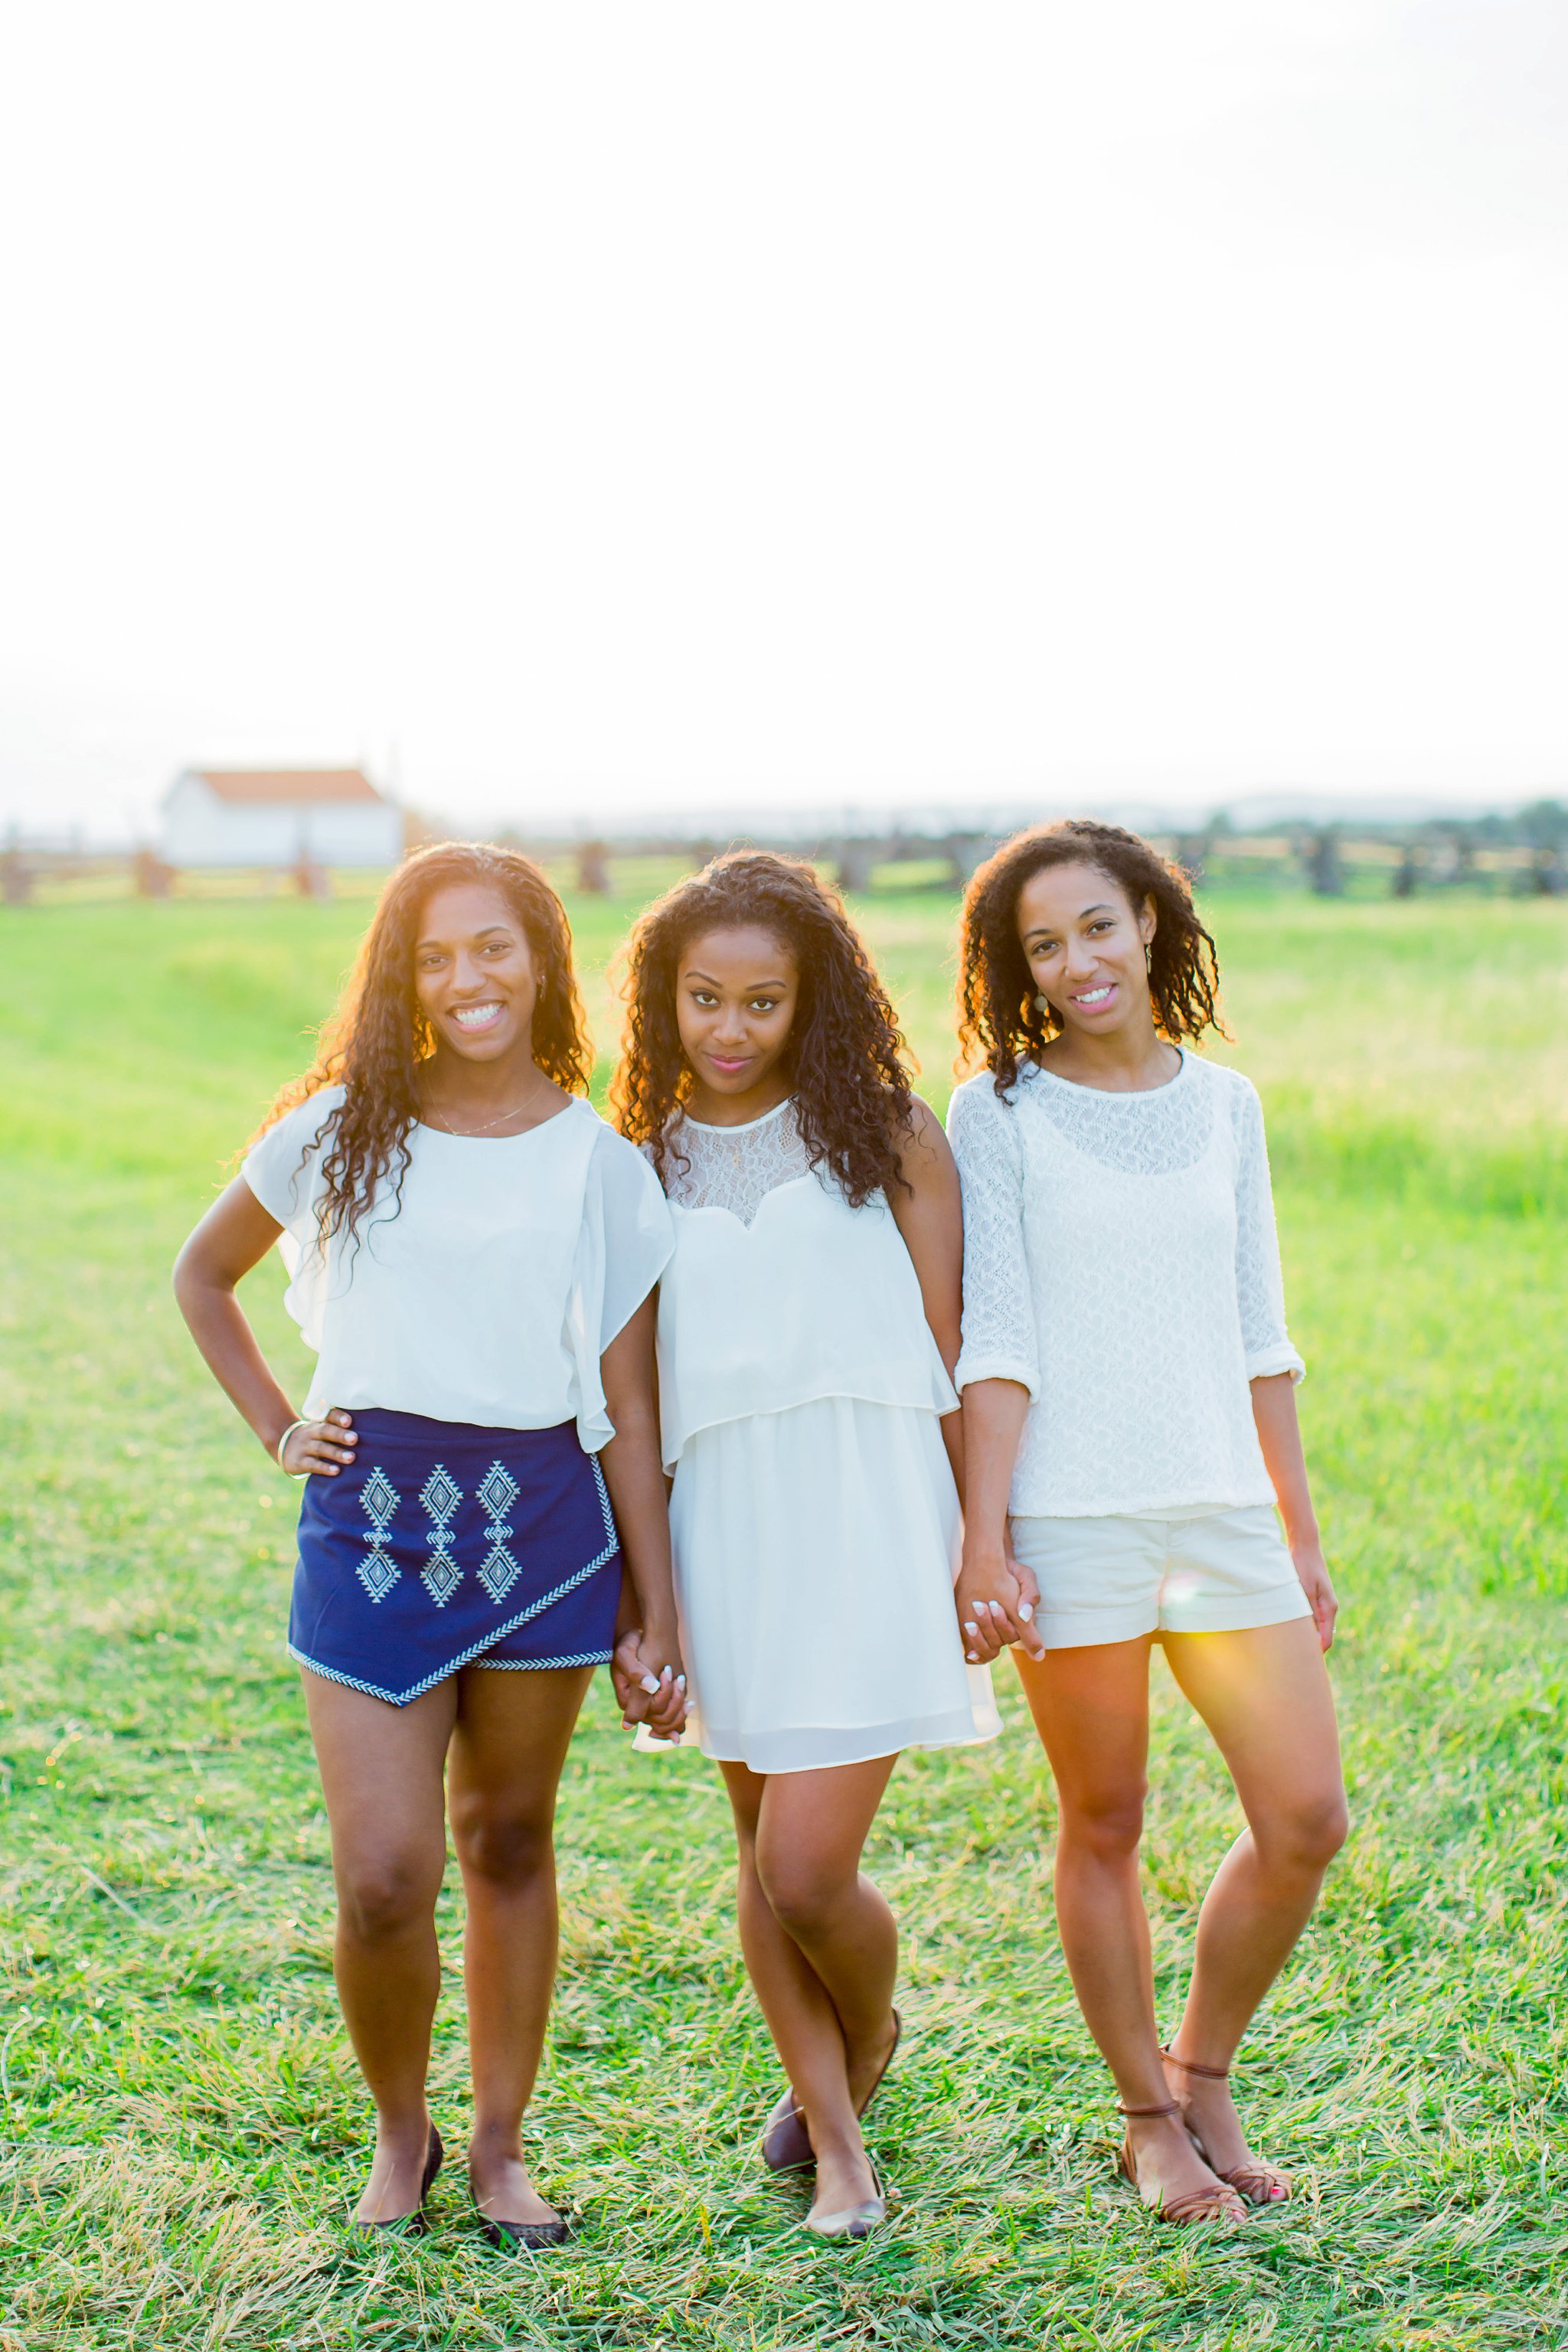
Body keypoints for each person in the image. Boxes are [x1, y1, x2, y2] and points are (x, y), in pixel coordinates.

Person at [173, 842, 686, 2243]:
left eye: (494, 949)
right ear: (403, 975)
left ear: (542, 963)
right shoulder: (340, 1126)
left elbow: (630, 1400)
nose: (468, 979)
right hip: (372, 1524)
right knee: (386, 1874)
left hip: (547, 1528)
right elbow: (201, 1276)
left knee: (510, 1841)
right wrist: (282, 1428)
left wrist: (660, 1600)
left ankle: (503, 2148)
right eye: (435, 955)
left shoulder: (601, 1164)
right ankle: (403, 2131)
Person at [947, 819, 1348, 2230]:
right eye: (1042, 947)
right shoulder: (991, 1113)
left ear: (1153, 924)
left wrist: (1297, 1536)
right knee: (1103, 1817)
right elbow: (991, 1337)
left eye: (1096, 928)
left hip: (1223, 1508)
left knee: (1305, 1816)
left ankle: (1206, 2070)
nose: (1075, 963)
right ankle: (1143, 2119)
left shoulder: (1224, 1103)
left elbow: (1260, 1336)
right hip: (1071, 1515)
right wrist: (984, 1538)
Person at [613, 851, 998, 2241]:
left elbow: (961, 1352)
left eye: (761, 1001)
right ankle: (838, 2139)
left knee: (808, 1869)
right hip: (725, 1525)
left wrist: (983, 1543)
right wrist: (647, 1605)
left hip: (877, 1514)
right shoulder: (638, 1163)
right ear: (665, 1002)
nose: (729, 1028)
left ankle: (872, 2028)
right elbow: (633, 1401)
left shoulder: (889, 1133)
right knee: (759, 1846)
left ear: (810, 999)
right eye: (703, 999)